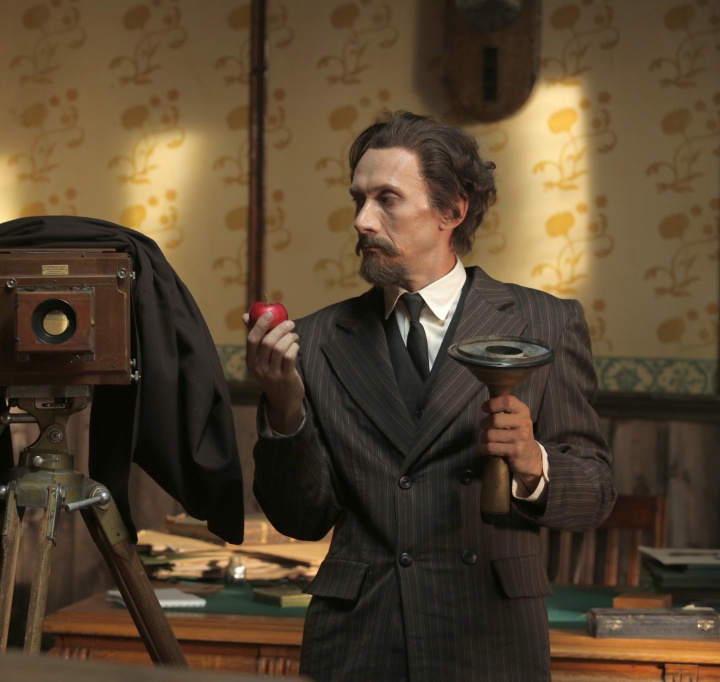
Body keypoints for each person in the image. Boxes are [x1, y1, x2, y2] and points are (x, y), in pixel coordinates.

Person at [244, 110, 615, 681]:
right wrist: (284, 407)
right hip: (359, 642)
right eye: (358, 200)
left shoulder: (546, 321)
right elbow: (301, 519)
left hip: (488, 639)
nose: (363, 221)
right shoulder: (315, 340)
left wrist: (531, 462)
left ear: (452, 211)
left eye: (386, 199)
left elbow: (594, 494)